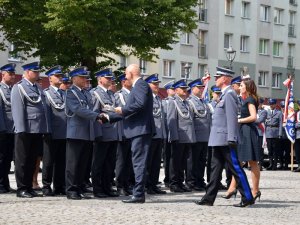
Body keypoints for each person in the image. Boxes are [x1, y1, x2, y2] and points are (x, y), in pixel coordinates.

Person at [194, 66, 254, 207]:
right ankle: (209, 198)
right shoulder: (224, 94)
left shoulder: (229, 94)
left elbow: (232, 117)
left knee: (236, 169)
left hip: (226, 139)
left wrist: (232, 138)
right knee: (215, 170)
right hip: (218, 139)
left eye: (218, 76)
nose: (215, 79)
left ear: (226, 78)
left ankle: (247, 196)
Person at [114, 64, 155, 203]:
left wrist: (123, 110)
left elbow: (139, 104)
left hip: (140, 130)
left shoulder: (140, 85)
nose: (125, 77)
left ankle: (138, 194)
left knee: (139, 163)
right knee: (138, 162)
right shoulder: (138, 86)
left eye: (126, 74)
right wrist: (108, 117)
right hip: (138, 129)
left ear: (131, 73)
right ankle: (138, 193)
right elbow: (133, 110)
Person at [64, 66, 107, 200]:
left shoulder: (86, 93)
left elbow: (90, 108)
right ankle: (71, 189)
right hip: (76, 132)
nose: (85, 80)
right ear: (75, 78)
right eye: (82, 77)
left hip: (87, 132)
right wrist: (97, 116)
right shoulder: (70, 93)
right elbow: (78, 109)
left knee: (83, 163)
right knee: (73, 163)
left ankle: (79, 187)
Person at [11, 62, 51, 198]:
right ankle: (21, 188)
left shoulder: (38, 88)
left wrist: (45, 128)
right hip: (25, 129)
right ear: (27, 72)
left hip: (37, 129)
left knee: (32, 160)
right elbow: (17, 109)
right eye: (35, 71)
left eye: (38, 72)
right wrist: (21, 128)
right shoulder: (19, 88)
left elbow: (43, 110)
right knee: (22, 160)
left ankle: (29, 186)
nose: (38, 74)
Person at [223, 79, 261, 202]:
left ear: (248, 87)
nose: (240, 87)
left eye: (242, 85)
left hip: (248, 131)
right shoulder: (246, 99)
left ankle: (255, 190)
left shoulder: (250, 100)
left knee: (252, 162)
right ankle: (232, 187)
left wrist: (239, 120)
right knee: (238, 161)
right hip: (243, 131)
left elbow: (253, 117)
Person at [90, 68, 120, 198]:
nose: (110, 80)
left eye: (110, 78)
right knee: (98, 163)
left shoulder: (112, 94)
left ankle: (107, 187)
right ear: (100, 79)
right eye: (107, 78)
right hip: (102, 133)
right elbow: (94, 115)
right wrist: (97, 134)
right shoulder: (94, 93)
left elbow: (116, 112)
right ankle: (97, 188)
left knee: (110, 163)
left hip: (113, 133)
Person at [42, 66, 67, 196]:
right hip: (52, 132)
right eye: (57, 76)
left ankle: (59, 186)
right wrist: (47, 130)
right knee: (48, 161)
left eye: (60, 75)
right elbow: (46, 114)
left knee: (61, 161)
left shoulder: (64, 93)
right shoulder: (46, 93)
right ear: (50, 78)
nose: (60, 77)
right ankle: (46, 186)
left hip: (64, 132)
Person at [167, 79, 196, 193]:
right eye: (182, 89)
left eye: (185, 89)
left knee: (183, 162)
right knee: (175, 162)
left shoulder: (186, 103)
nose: (185, 91)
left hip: (187, 137)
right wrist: (174, 137)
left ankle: (180, 182)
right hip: (178, 136)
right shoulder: (173, 102)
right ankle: (174, 183)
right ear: (176, 90)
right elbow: (171, 120)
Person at [186, 78, 211, 191]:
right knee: (193, 161)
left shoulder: (203, 102)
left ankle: (200, 180)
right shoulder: (190, 102)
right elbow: (190, 120)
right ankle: (191, 182)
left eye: (202, 87)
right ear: (192, 89)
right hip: (195, 136)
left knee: (201, 161)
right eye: (199, 88)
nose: (201, 89)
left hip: (205, 137)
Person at [144, 74, 167, 195]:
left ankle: (153, 184)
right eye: (155, 84)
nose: (157, 86)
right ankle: (147, 185)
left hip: (159, 134)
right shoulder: (146, 98)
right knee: (148, 161)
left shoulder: (158, 98)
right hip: (150, 134)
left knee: (156, 162)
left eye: (158, 84)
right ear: (148, 85)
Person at [114, 73, 134, 196]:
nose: (131, 81)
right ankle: (120, 185)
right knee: (121, 160)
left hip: (132, 131)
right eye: (128, 79)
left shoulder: (133, 94)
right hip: (123, 131)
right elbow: (117, 113)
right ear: (123, 82)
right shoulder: (119, 95)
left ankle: (127, 184)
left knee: (129, 161)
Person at [0, 63, 16, 194]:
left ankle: (5, 184)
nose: (12, 76)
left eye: (13, 74)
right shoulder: (0, 89)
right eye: (10, 74)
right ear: (3, 74)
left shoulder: (13, 89)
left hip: (13, 130)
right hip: (3, 129)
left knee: (8, 158)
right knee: (1, 158)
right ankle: (0, 184)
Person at [161, 80, 175, 188]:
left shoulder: (178, 101)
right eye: (172, 89)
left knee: (174, 158)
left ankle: (173, 178)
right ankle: (167, 179)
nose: (174, 91)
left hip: (175, 133)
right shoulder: (164, 102)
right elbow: (165, 119)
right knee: (168, 157)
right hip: (167, 133)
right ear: (168, 90)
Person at [265, 98, 282, 171]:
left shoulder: (279, 113)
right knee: (269, 150)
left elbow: (280, 124)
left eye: (272, 104)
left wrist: (280, 134)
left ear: (275, 104)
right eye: (270, 104)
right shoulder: (267, 112)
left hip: (275, 132)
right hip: (268, 132)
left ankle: (275, 165)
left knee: (275, 150)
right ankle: (271, 164)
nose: (271, 105)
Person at [255, 98, 268, 170]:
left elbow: (260, 120)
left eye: (259, 103)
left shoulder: (264, 112)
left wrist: (251, 120)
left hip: (260, 132)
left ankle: (260, 164)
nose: (258, 105)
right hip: (254, 132)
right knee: (254, 148)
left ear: (262, 104)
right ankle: (254, 164)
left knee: (260, 149)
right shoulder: (254, 111)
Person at [278, 101, 290, 170]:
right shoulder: (279, 114)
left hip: (287, 135)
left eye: (284, 107)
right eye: (282, 107)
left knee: (287, 151)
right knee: (280, 151)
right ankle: (281, 164)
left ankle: (286, 165)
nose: (283, 108)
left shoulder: (289, 115)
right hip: (280, 134)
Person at [294, 105, 300, 172]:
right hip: (297, 135)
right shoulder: (296, 113)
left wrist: (296, 125)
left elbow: (296, 124)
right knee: (297, 151)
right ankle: (299, 165)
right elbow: (293, 122)